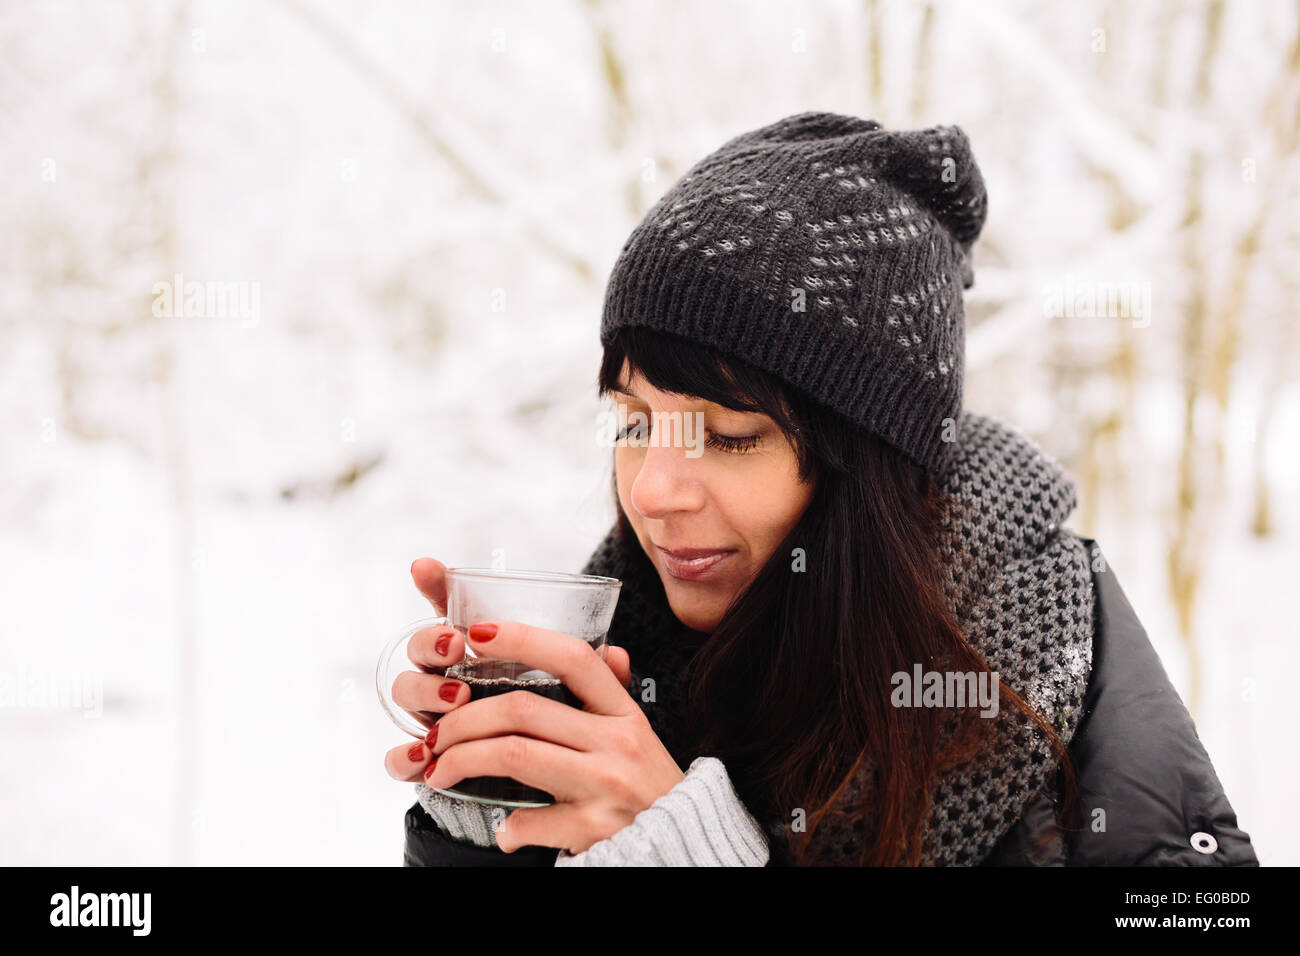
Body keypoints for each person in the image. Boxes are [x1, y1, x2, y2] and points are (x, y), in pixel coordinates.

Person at [383, 112, 1258, 866]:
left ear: (866, 470)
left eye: (729, 435)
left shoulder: (1048, 680)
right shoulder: (622, 663)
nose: (653, 493)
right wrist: (488, 811)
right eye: (635, 423)